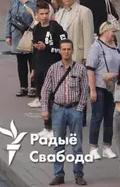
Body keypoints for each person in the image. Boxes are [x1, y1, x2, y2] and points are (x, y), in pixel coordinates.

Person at [41, 39, 89, 185]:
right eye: (64, 49)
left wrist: (79, 109)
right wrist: (44, 109)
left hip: (74, 110)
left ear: (72, 51)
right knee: (58, 144)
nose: (66, 52)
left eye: (69, 49)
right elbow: (46, 90)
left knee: (77, 145)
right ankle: (58, 174)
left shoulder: (80, 69)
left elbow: (85, 91)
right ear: (60, 51)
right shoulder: (53, 68)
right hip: (58, 110)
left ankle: (78, 174)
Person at [87, 22, 120, 160]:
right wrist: (92, 89)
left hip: (112, 88)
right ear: (105, 31)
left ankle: (107, 146)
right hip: (100, 86)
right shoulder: (96, 47)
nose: (114, 34)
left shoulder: (116, 47)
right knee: (97, 116)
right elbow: (90, 69)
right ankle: (93, 147)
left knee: (109, 117)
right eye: (113, 31)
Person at [31, 2, 70, 112]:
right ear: (37, 15)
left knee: (52, 95)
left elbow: (63, 48)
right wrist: (33, 68)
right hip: (39, 66)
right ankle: (47, 122)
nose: (44, 16)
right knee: (41, 94)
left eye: (46, 13)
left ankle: (52, 123)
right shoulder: (36, 28)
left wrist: (46, 47)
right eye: (42, 14)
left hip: (53, 65)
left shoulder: (56, 27)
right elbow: (34, 50)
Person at [6, 0, 38, 98]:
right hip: (17, 35)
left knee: (32, 62)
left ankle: (34, 87)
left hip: (30, 35)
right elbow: (8, 18)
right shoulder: (15, 1)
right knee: (21, 63)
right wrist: (7, 35)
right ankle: (23, 87)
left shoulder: (35, 1)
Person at [57, 0, 96, 64]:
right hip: (61, 55)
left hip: (77, 55)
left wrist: (86, 57)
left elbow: (88, 36)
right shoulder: (59, 13)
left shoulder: (84, 11)